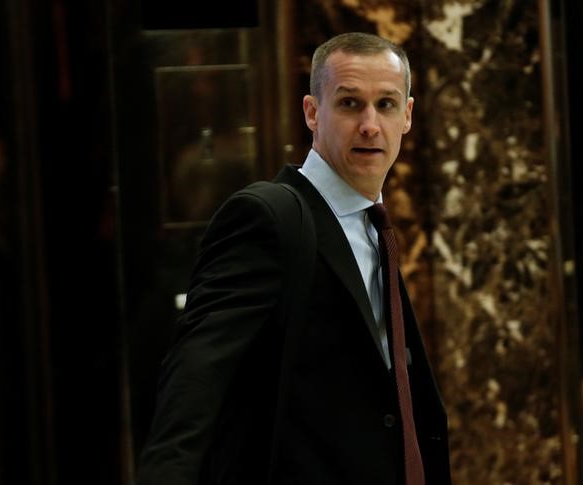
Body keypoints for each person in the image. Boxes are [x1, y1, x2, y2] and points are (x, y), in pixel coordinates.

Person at [135, 32, 451, 484]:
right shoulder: (268, 217)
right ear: (311, 112)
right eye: (348, 104)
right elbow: (196, 379)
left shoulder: (375, 227)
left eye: (385, 104)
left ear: (407, 116)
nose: (369, 124)